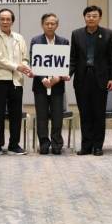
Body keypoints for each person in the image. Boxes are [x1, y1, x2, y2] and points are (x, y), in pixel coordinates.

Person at [69, 5, 112, 156]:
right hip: (82, 78)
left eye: (94, 16)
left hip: (101, 79)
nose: (91, 18)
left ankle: (97, 146)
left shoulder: (108, 34)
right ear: (84, 17)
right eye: (88, 16)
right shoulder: (76, 34)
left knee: (99, 114)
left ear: (99, 18)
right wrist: (67, 74)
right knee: (85, 113)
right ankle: (86, 146)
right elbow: (73, 58)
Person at [0, 8, 32, 156]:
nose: (5, 21)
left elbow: (25, 57)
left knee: (16, 114)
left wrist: (25, 67)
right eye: (2, 19)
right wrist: (17, 66)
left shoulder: (19, 38)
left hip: (16, 80)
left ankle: (14, 145)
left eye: (8, 19)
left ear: (12, 21)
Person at [30, 13, 69, 155]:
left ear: (57, 25)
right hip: (40, 85)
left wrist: (58, 78)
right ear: (42, 25)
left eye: (53, 23)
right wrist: (42, 79)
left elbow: (66, 62)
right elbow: (33, 61)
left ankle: (57, 144)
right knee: (42, 117)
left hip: (57, 85)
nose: (50, 26)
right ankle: (44, 144)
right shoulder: (36, 41)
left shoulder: (63, 41)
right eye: (47, 23)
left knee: (57, 116)